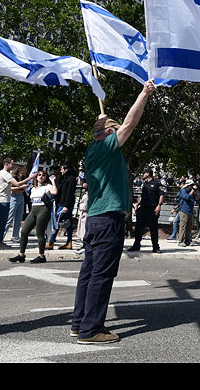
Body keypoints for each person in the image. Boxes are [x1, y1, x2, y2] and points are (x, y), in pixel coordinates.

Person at [71, 79, 155, 345]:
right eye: (114, 131)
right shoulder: (107, 147)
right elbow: (130, 123)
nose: (121, 134)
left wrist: (102, 121)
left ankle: (79, 323)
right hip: (109, 219)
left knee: (88, 273)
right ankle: (91, 329)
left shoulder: (93, 150)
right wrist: (144, 94)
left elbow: (112, 127)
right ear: (108, 134)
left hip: (96, 218)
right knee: (102, 275)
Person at [8, 170, 58, 264]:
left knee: (40, 233)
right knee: (24, 231)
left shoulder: (48, 186)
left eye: (43, 175)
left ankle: (41, 256)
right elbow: (18, 187)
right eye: (39, 175)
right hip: (33, 210)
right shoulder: (33, 188)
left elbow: (55, 192)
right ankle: (21, 255)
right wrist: (29, 178)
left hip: (43, 210)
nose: (41, 176)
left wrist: (53, 181)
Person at [0, 158, 36, 249]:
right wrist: (30, 178)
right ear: (7, 164)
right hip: (3, 200)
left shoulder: (0, 173)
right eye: (12, 164)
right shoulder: (5, 174)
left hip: (2, 200)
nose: (13, 166)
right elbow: (16, 184)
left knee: (1, 221)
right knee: (3, 221)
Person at [128, 168, 165, 253]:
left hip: (152, 208)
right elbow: (142, 196)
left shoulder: (156, 183)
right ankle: (136, 245)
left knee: (153, 228)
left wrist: (159, 206)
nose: (143, 175)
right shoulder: (144, 184)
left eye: (144, 173)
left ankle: (155, 247)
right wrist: (137, 204)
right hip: (143, 208)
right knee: (139, 227)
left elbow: (161, 194)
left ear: (148, 173)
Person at [47, 163, 77, 250]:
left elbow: (69, 193)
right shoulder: (64, 178)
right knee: (68, 223)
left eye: (62, 168)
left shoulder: (71, 179)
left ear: (66, 169)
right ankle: (69, 242)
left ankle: (51, 242)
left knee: (56, 221)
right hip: (62, 202)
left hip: (65, 203)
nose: (61, 170)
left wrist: (66, 205)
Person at [177, 179, 199, 247]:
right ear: (188, 185)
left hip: (190, 211)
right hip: (184, 210)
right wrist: (192, 191)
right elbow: (186, 197)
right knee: (183, 226)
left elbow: (197, 199)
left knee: (189, 227)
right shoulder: (183, 190)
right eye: (191, 185)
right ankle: (181, 240)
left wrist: (196, 192)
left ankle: (187, 240)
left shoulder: (191, 192)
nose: (192, 187)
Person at [74, 180, 89, 255]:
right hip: (83, 213)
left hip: (86, 213)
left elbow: (86, 204)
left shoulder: (89, 194)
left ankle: (85, 245)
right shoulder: (85, 192)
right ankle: (84, 244)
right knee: (82, 230)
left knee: (85, 230)